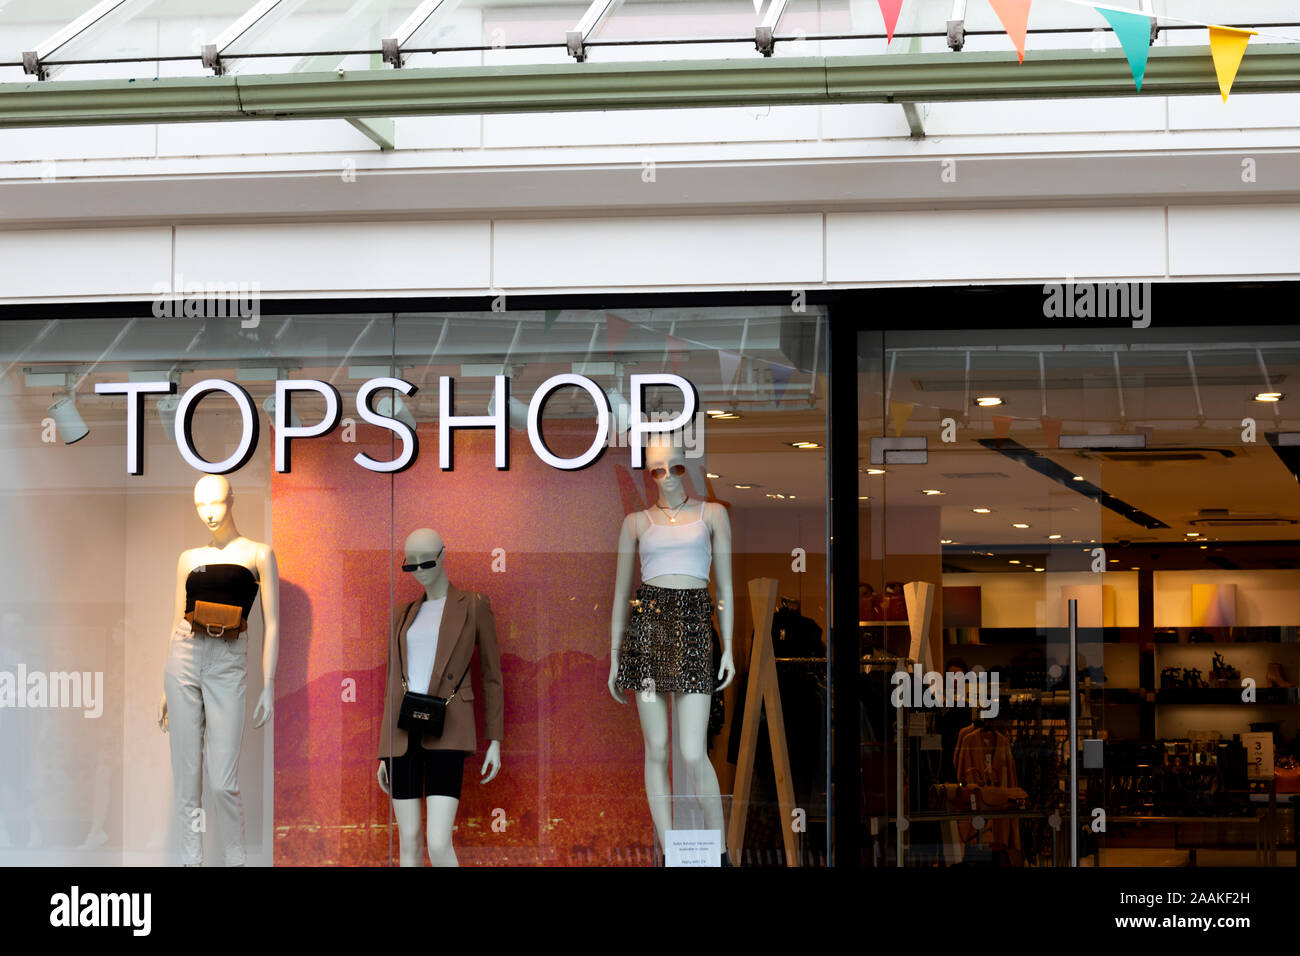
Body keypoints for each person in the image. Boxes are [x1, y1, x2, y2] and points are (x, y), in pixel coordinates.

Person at [608, 439, 735, 865]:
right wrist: (614, 653)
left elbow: (727, 587)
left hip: (695, 623)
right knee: (657, 748)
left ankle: (718, 852)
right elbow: (623, 592)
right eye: (657, 470)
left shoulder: (712, 514)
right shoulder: (636, 523)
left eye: (675, 468)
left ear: (689, 468)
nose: (667, 478)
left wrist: (729, 647)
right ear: (650, 474)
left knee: (693, 751)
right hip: (648, 629)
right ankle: (670, 851)